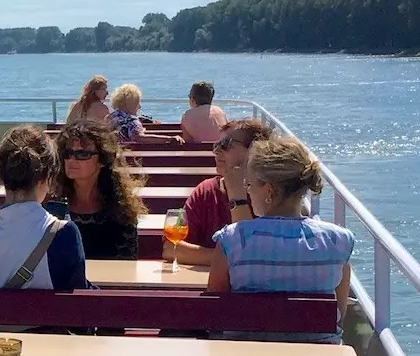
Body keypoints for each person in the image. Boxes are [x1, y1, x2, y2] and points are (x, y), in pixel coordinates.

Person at [209, 138, 354, 344]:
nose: (247, 190)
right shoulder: (337, 241)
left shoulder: (232, 239)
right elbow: (338, 316)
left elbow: (215, 309)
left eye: (248, 184)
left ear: (268, 191)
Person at [0, 125, 89, 291]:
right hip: (36, 317)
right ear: (46, 178)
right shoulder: (62, 234)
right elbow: (79, 302)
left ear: (2, 175)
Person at [164, 119, 273, 266]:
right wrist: (226, 259)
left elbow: (254, 256)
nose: (216, 151)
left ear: (254, 151)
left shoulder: (270, 195)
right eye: (217, 145)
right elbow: (171, 248)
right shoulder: (205, 192)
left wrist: (237, 194)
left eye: (226, 145)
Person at [52, 122, 145, 260]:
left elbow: (127, 262)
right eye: (67, 153)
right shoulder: (52, 204)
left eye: (82, 154)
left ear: (102, 160)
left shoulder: (120, 208)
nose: (71, 160)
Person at [108, 84, 183, 145]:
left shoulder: (110, 117)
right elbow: (140, 138)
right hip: (131, 158)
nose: (139, 107)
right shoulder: (132, 122)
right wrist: (170, 139)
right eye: (137, 103)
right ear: (132, 104)